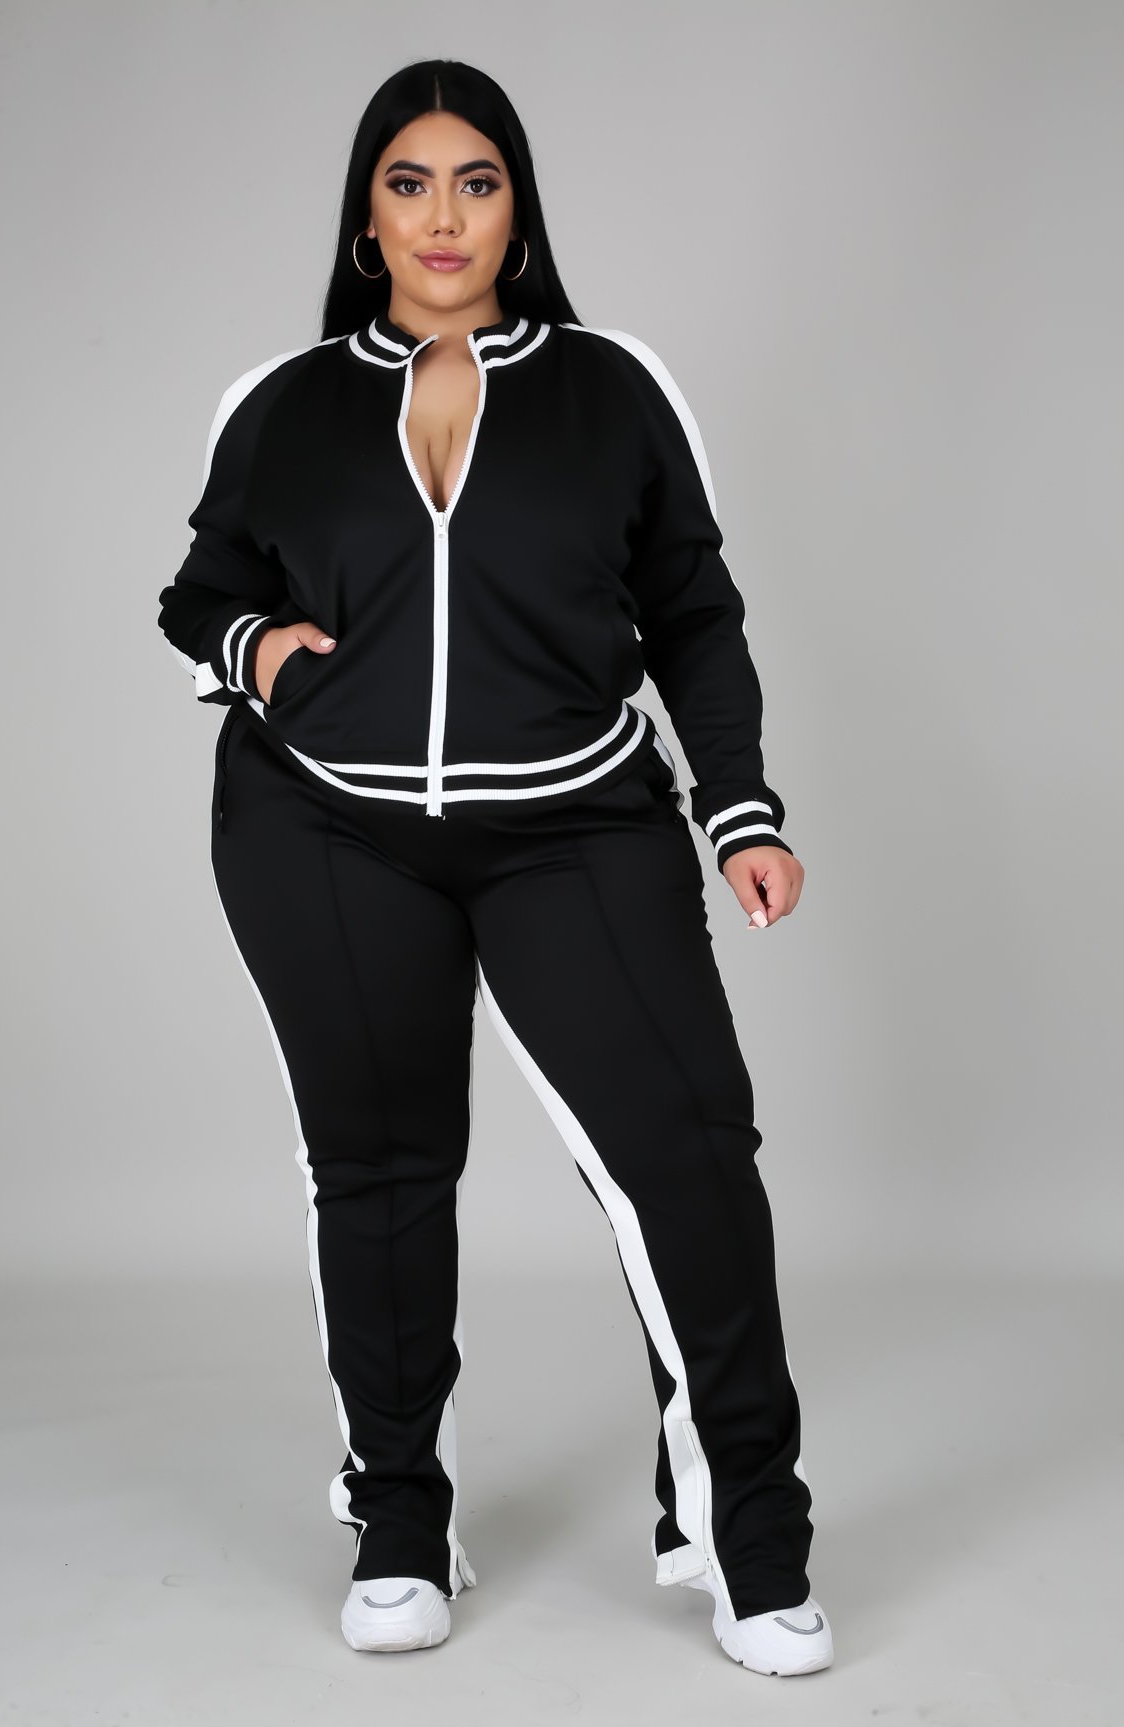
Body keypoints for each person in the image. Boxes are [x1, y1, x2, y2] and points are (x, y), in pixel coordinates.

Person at [156, 57, 833, 1677]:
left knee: (687, 1157)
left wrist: (739, 810)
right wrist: (258, 649)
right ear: (366, 215)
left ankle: (751, 1538)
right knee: (380, 1168)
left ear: (518, 209)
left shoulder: (612, 387)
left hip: (575, 823)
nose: (442, 216)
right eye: (409, 183)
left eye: (477, 181)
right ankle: (399, 1519)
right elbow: (199, 592)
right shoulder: (283, 401)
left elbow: (694, 615)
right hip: (326, 826)